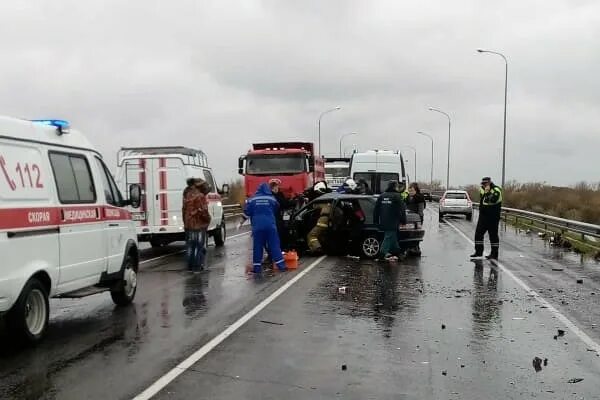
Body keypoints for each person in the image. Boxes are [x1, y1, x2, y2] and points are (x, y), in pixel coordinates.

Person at [244, 182, 286, 273]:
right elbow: (277, 208)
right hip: (270, 226)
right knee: (275, 245)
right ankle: (281, 266)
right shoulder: (272, 199)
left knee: (258, 246)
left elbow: (247, 212)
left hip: (257, 227)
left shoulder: (252, 199)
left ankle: (257, 268)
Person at [182, 178, 211, 272]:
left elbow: (183, 211)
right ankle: (197, 266)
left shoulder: (186, 195)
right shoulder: (200, 196)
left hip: (188, 225)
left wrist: (185, 223)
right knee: (199, 247)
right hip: (199, 225)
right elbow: (203, 212)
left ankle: (189, 266)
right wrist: (208, 219)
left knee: (190, 246)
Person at [373, 180, 407, 262]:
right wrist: (403, 220)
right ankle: (381, 254)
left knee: (393, 237)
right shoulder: (397, 196)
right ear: (395, 186)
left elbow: (376, 209)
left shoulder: (382, 196)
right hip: (393, 221)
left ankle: (398, 253)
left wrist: (376, 220)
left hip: (384, 220)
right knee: (388, 237)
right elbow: (402, 210)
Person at [471, 177, 503, 260]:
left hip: (493, 216)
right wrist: (485, 192)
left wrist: (487, 192)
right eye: (483, 184)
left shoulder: (496, 190)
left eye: (485, 184)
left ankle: (494, 254)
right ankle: (478, 252)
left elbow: (492, 200)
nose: (484, 185)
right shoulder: (482, 189)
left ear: (489, 183)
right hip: (483, 216)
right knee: (478, 234)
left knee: (493, 235)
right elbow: (483, 199)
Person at [269, 178, 295, 250]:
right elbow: (284, 203)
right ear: (273, 187)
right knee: (280, 233)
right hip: (275, 218)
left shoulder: (278, 194)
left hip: (275, 217)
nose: (278, 187)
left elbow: (285, 202)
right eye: (276, 186)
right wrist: (294, 202)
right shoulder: (273, 196)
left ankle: (276, 249)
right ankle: (280, 249)